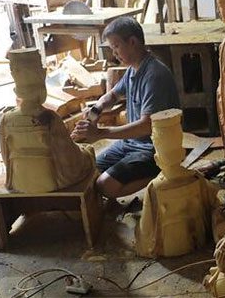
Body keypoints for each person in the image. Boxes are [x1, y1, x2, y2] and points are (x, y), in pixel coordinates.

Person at [71, 17, 180, 199]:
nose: (114, 54)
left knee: (105, 186)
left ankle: (163, 172)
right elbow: (113, 95)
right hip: (130, 143)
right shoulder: (132, 70)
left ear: (132, 42)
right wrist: (96, 110)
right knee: (90, 170)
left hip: (153, 148)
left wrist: (100, 133)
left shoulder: (155, 75)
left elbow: (147, 126)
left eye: (116, 47)